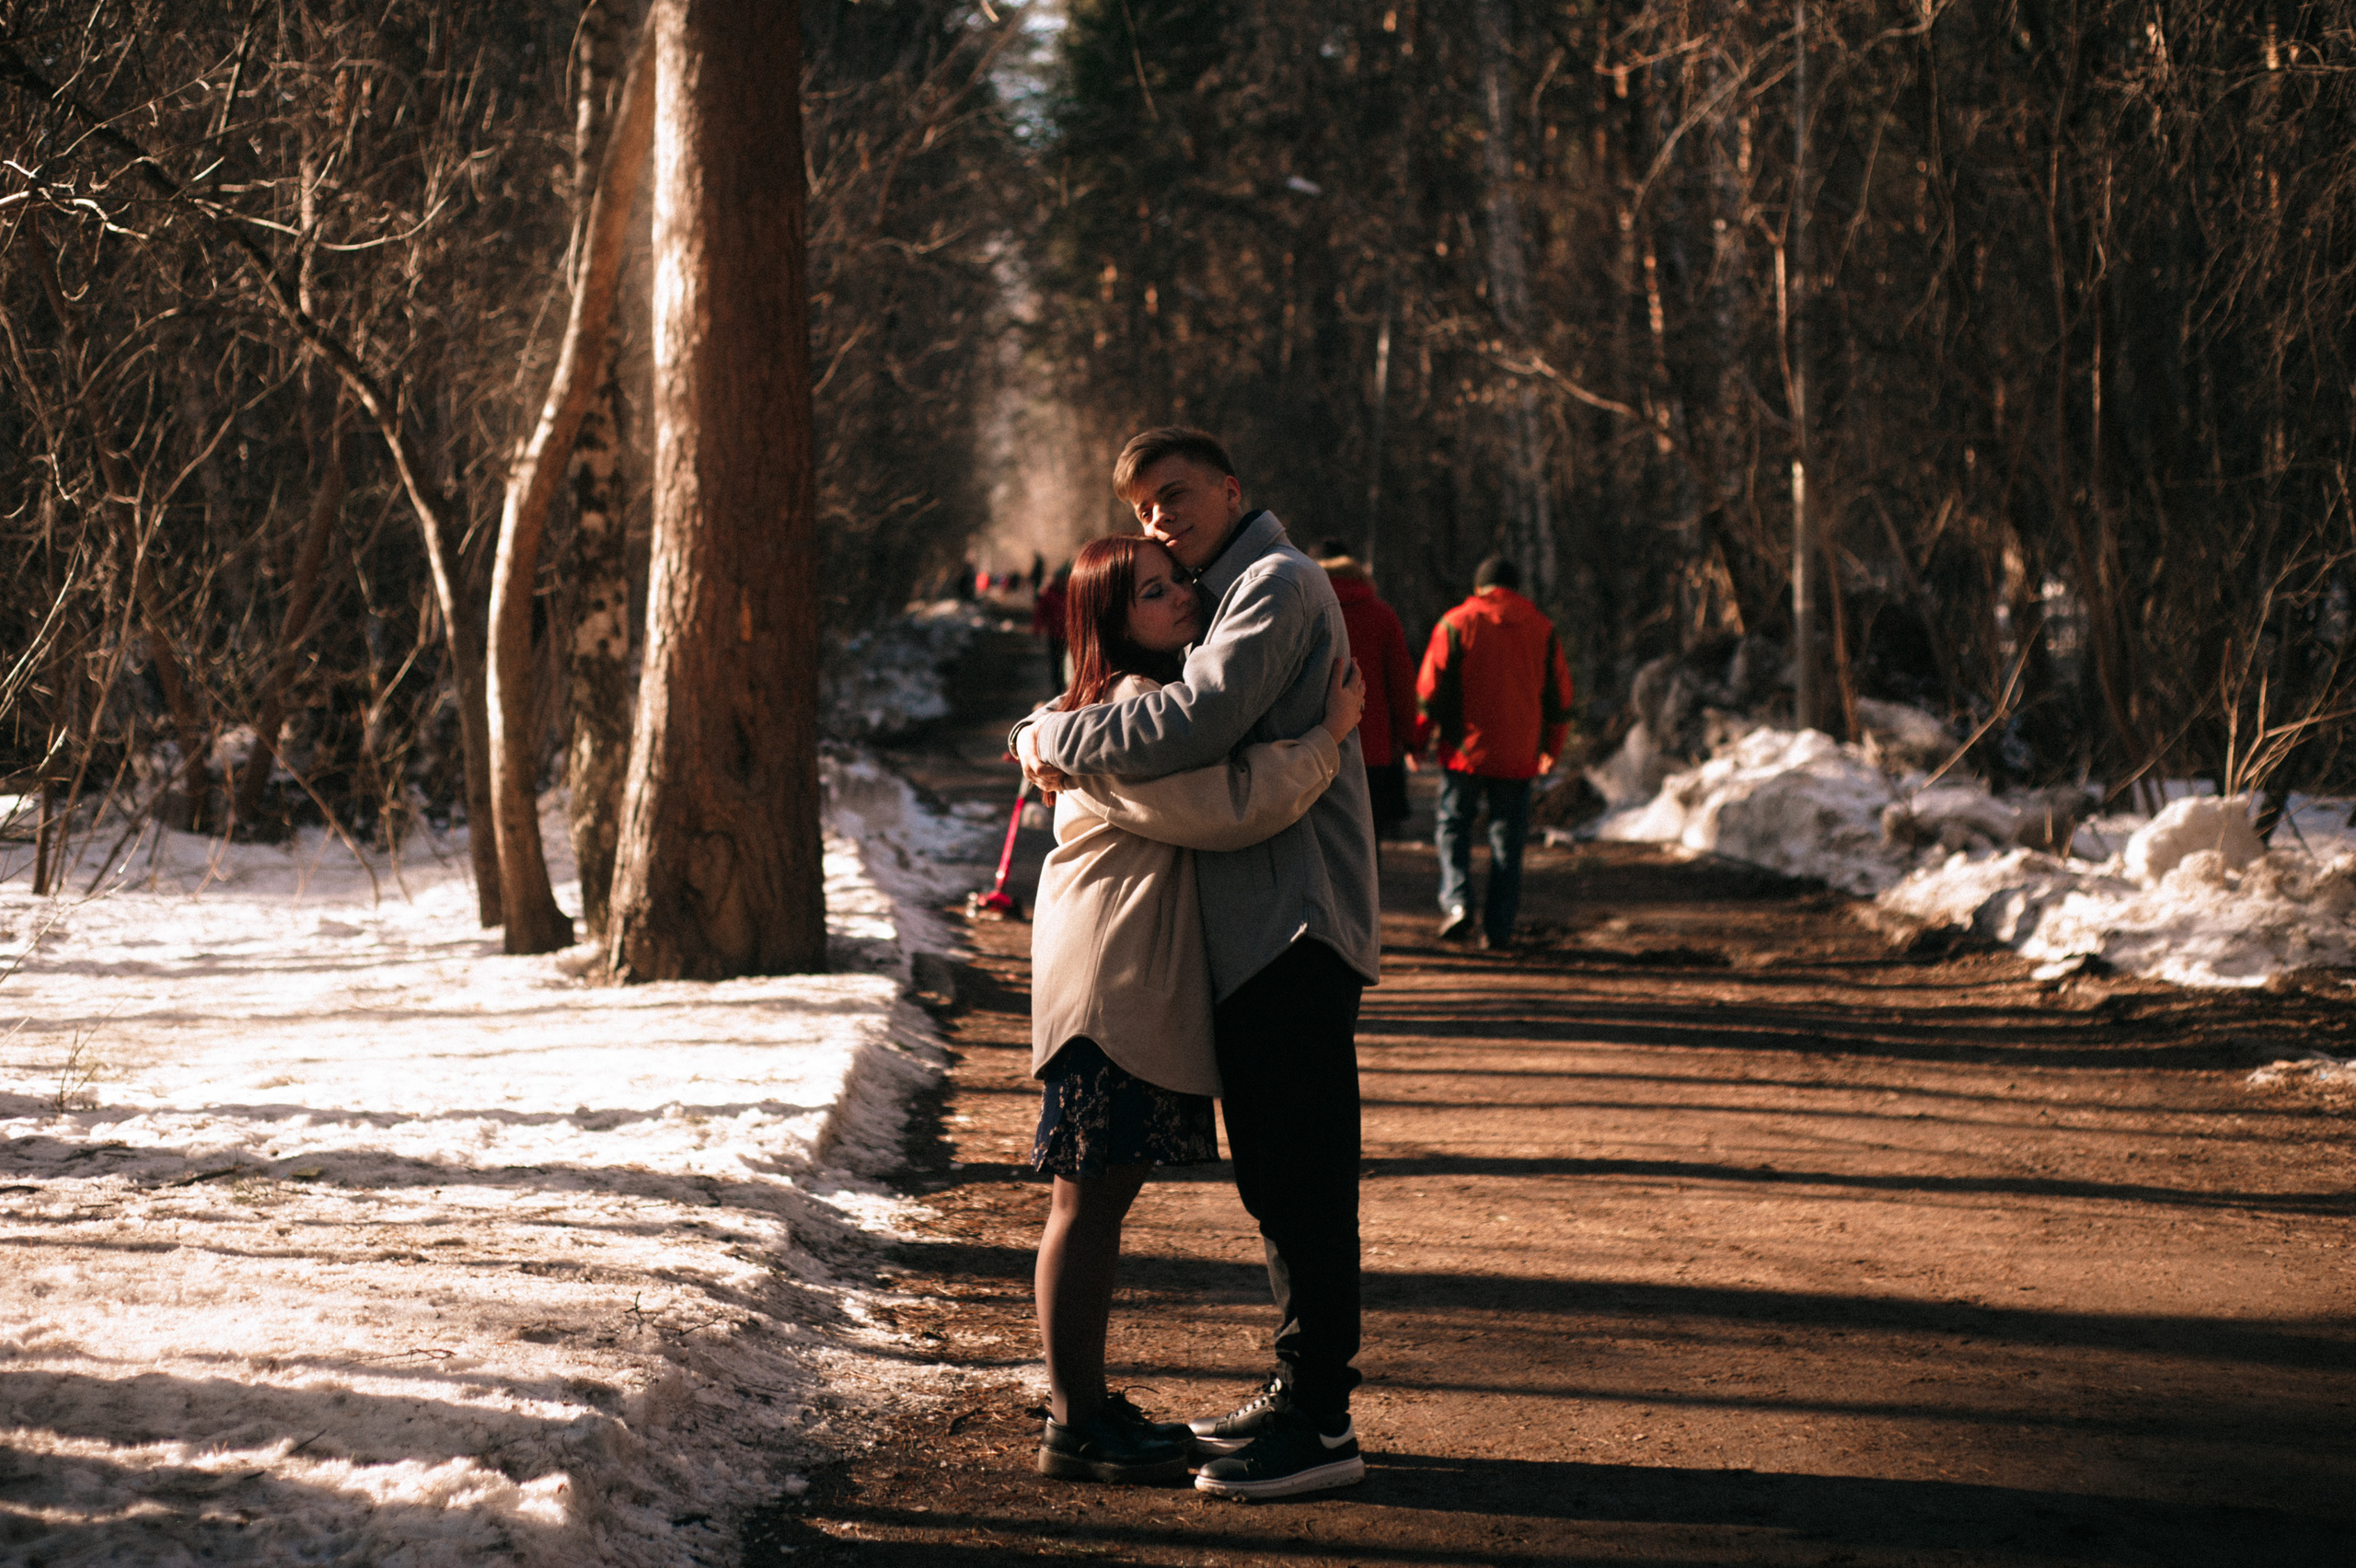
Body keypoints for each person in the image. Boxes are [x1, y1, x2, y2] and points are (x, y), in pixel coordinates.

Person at [1014, 427, 1379, 1501]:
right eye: (1142, 511)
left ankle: (1317, 1415)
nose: (1158, 520)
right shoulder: (1207, 612)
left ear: (1230, 487)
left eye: (1173, 497)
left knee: (1300, 1177)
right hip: (1232, 940)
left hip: (1291, 925)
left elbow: (1207, 730)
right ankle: (1289, 1393)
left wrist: (1048, 739)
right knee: (1273, 1176)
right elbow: (1189, 750)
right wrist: (1055, 723)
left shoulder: (1272, 582)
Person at [1413, 553, 1575, 952]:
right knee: (1508, 840)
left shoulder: (1456, 623)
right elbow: (1560, 697)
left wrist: (1418, 740)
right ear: (1516, 589)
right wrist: (1551, 747)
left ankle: (1457, 904)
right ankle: (1498, 928)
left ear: (1479, 588)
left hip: (1465, 752)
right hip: (1518, 756)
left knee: (1453, 827)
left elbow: (1429, 690)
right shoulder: (1543, 629)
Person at [1313, 538, 1416, 841]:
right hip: (1373, 748)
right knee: (1367, 842)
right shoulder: (1382, 614)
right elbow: (1401, 681)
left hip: (1316, 741)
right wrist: (1407, 738)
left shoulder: (1306, 609)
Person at [1032, 560, 1072, 692]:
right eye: (1061, 579)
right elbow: (1040, 613)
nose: (1063, 582)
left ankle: (1069, 689)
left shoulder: (1072, 595)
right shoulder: (1049, 595)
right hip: (1054, 635)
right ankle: (1058, 689)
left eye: (1065, 579)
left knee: (1070, 664)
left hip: (1071, 637)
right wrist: (1037, 629)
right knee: (1056, 663)